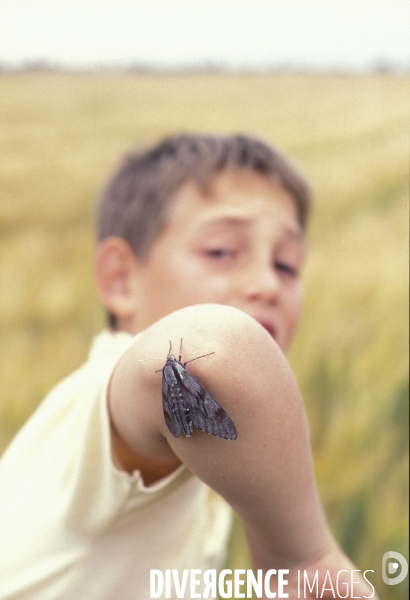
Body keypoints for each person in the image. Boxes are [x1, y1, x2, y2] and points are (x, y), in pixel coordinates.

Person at [0, 134, 377, 599]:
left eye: (286, 264)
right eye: (220, 252)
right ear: (121, 278)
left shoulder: (214, 456)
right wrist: (299, 558)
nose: (265, 283)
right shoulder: (108, 405)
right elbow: (215, 353)